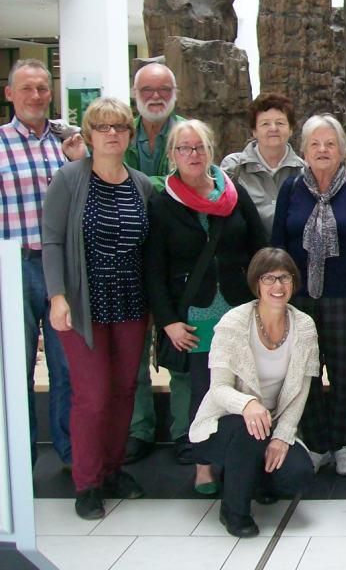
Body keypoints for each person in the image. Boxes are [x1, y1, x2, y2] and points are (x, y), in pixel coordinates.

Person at [42, 98, 151, 519]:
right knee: (92, 396)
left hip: (130, 300)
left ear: (129, 133)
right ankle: (87, 483)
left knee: (125, 391)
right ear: (89, 135)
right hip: (83, 302)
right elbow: (51, 241)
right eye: (103, 127)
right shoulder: (68, 179)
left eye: (120, 126)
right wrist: (57, 297)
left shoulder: (139, 183)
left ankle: (112, 468)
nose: (112, 134)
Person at [145, 119, 267, 496]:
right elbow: (153, 270)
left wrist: (267, 305)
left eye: (199, 147)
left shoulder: (234, 193)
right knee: (204, 394)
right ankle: (203, 466)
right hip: (195, 319)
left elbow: (261, 250)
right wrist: (168, 322)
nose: (193, 155)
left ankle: (242, 461)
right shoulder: (163, 203)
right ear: (173, 155)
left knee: (246, 389)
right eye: (184, 148)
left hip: (238, 312)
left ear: (211, 150)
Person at [272, 114, 346, 477]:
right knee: (306, 373)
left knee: (344, 372)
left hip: (342, 300)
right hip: (298, 299)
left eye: (330, 144)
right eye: (315, 144)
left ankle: (344, 442)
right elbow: (277, 246)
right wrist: (277, 298)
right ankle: (317, 443)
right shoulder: (290, 189)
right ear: (302, 150)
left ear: (343, 150)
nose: (322, 150)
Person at [189, 248, 319, 538]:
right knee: (250, 430)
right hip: (225, 423)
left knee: (299, 476)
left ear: (294, 283)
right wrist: (248, 404)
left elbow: (301, 391)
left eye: (284, 278)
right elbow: (219, 388)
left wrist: (283, 437)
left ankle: (255, 478)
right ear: (256, 283)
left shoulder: (305, 326)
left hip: (269, 423)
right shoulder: (233, 323)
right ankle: (234, 511)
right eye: (269, 278)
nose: (277, 286)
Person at [1, 58, 84, 470]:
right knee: (15, 370)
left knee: (65, 366)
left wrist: (78, 160)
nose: (36, 96)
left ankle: (71, 455)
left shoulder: (68, 142)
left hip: (62, 269)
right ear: (10, 94)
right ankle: (20, 461)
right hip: (14, 267)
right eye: (27, 88)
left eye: (42, 88)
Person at [123, 60, 191, 465]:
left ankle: (184, 431)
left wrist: (141, 185)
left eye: (163, 90)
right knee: (132, 352)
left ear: (174, 93)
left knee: (180, 346)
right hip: (126, 260)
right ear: (136, 94)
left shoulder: (186, 134)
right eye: (147, 90)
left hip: (174, 260)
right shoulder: (120, 132)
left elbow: (191, 183)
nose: (155, 97)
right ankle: (139, 428)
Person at [221, 93, 304, 236]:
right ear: (254, 131)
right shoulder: (233, 168)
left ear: (291, 129)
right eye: (265, 123)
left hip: (292, 256)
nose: (273, 128)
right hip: (247, 256)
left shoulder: (305, 172)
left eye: (280, 123)